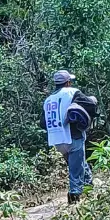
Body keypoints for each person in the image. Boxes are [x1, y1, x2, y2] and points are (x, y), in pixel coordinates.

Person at [43, 70, 95, 203]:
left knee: (78, 164)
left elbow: (43, 123)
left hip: (57, 141)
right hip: (72, 136)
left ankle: (90, 187)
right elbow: (90, 104)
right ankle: (74, 196)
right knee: (75, 170)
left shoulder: (48, 100)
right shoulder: (72, 92)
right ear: (68, 82)